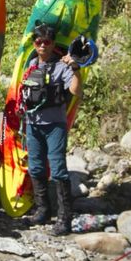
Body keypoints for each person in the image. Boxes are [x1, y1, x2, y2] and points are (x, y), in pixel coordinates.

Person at [20, 22, 82, 236]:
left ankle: (65, 218)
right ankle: (43, 210)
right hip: (32, 124)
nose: (43, 45)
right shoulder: (30, 65)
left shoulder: (61, 66)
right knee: (36, 167)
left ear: (53, 43)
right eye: (39, 42)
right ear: (34, 44)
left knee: (57, 169)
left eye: (47, 42)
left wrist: (75, 68)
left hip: (54, 125)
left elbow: (74, 90)